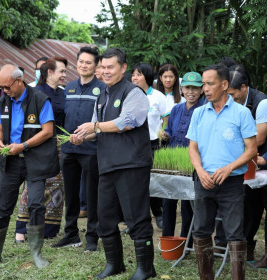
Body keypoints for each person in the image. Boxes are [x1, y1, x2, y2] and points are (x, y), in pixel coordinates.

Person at [72, 48, 156, 279]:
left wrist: (96, 127)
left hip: (131, 164)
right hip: (107, 164)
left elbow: (127, 122)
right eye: (103, 67)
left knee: (136, 216)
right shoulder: (102, 95)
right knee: (105, 217)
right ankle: (114, 264)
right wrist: (82, 136)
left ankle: (146, 268)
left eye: (110, 67)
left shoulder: (134, 93)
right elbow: (96, 128)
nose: (105, 71)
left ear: (123, 68)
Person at [0, 64, 59, 270]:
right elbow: (0, 129)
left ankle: (36, 253)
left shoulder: (40, 99)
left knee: (36, 204)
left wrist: (23, 145)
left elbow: (48, 131)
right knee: (3, 207)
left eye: (7, 87)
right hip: (12, 161)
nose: (4, 90)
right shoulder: (3, 101)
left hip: (34, 159)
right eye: (1, 87)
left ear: (19, 81)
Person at [187, 63, 257, 280]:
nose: (205, 89)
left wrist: (229, 168)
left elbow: (252, 149)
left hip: (232, 182)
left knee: (235, 233)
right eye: (203, 84)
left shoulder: (242, 113)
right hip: (204, 180)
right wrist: (199, 171)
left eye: (210, 83)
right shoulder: (199, 113)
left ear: (224, 84)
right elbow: (193, 148)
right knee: (200, 231)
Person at [227, 65, 267, 270]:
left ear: (244, 87)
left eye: (233, 94)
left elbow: (259, 139)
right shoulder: (235, 103)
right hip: (252, 163)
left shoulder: (264, 104)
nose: (230, 98)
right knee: (250, 205)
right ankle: (248, 248)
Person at [51, 47, 106, 253]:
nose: (84, 65)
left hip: (91, 149)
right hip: (69, 148)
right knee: (71, 194)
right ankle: (71, 233)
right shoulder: (69, 88)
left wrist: (88, 136)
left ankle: (92, 236)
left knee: (92, 195)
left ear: (96, 66)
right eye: (81, 62)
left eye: (88, 62)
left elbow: (103, 122)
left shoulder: (102, 89)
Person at [14, 57, 67, 243]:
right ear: (49, 73)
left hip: (59, 146)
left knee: (57, 188)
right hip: (37, 145)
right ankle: (21, 229)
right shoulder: (34, 93)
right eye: (61, 71)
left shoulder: (63, 93)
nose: (64, 75)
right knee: (33, 189)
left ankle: (49, 230)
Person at [159, 71, 204, 247]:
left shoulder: (203, 110)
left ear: (201, 90)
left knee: (188, 206)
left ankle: (187, 243)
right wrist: (165, 134)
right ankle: (167, 240)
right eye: (187, 88)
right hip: (173, 165)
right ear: (182, 89)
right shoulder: (177, 109)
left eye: (195, 88)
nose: (191, 91)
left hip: (192, 165)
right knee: (168, 202)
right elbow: (169, 129)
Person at [131, 62, 167, 229]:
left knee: (154, 181)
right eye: (133, 75)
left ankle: (158, 213)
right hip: (133, 145)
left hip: (153, 144)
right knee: (136, 183)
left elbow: (166, 119)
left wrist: (163, 132)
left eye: (138, 74)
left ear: (146, 76)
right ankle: (139, 219)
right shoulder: (130, 95)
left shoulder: (158, 96)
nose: (134, 78)